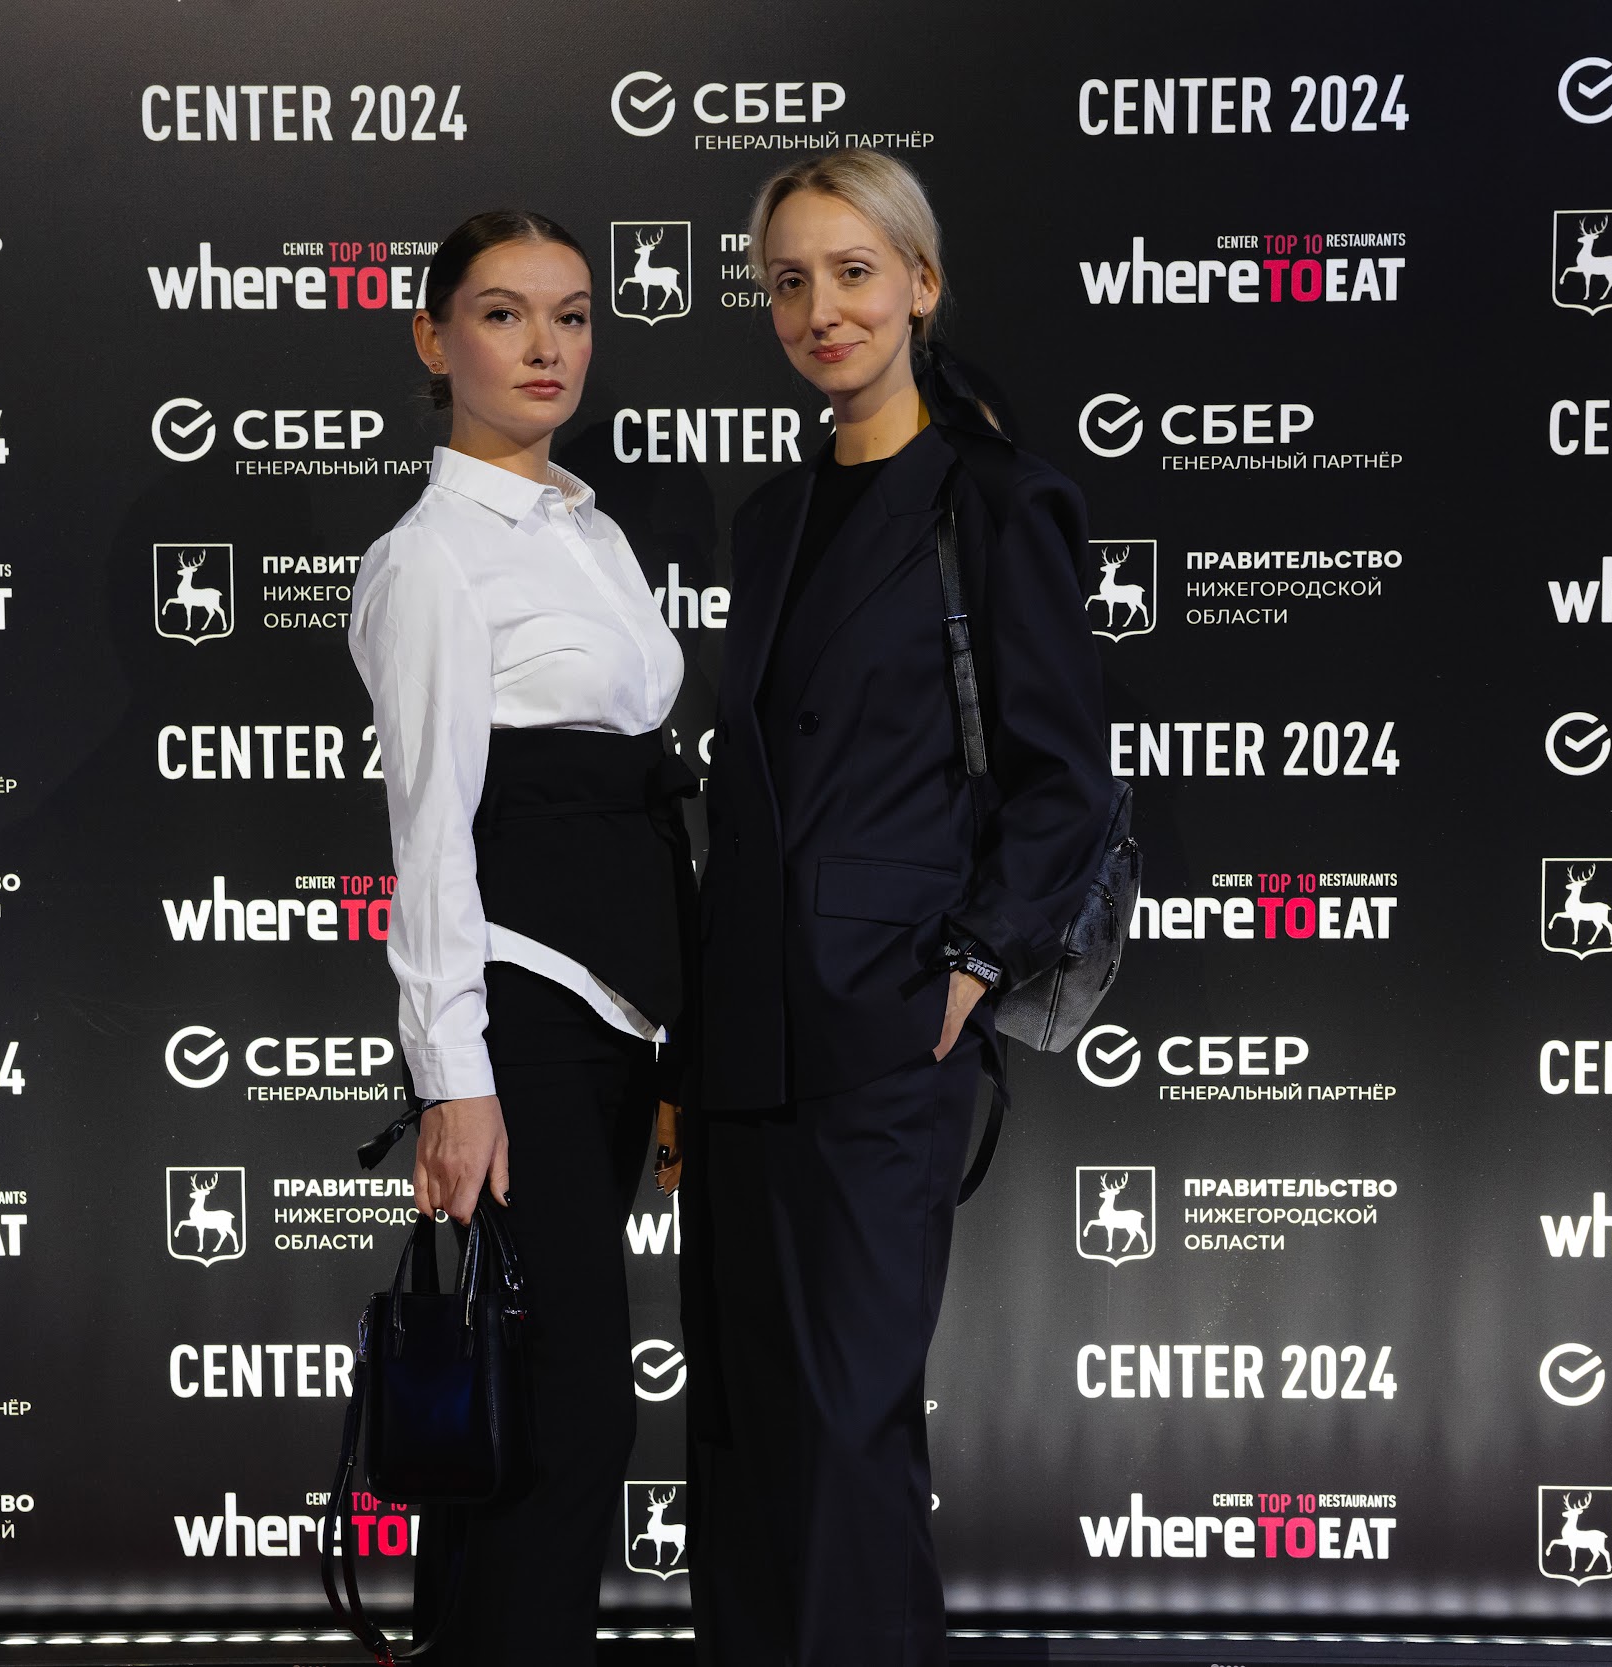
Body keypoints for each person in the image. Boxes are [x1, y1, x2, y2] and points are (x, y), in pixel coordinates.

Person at [685, 152, 1113, 1664]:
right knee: (742, 1429)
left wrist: (974, 963)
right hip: (741, 1035)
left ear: (921, 286)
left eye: (854, 272)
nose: (822, 309)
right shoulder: (771, 514)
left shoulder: (997, 499)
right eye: (789, 282)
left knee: (846, 1420)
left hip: (884, 1023)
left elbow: (1067, 782)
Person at [347, 209, 695, 1665]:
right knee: (564, 1412)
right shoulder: (429, 559)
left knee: (542, 1402)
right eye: (503, 313)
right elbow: (429, 830)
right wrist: (454, 1079)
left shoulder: (591, 530)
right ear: (435, 342)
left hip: (618, 1015)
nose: (547, 345)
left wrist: (673, 1032)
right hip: (519, 1013)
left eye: (572, 313)